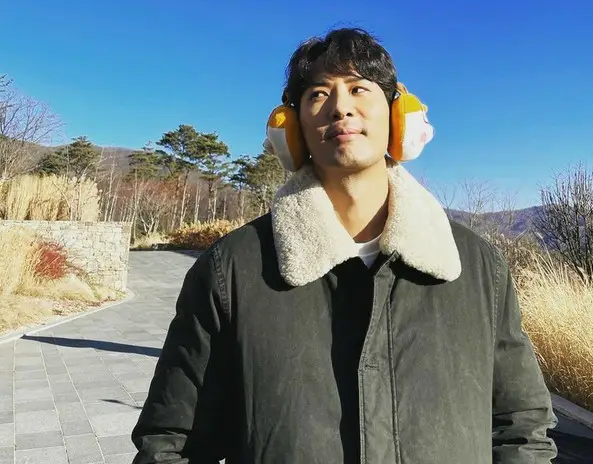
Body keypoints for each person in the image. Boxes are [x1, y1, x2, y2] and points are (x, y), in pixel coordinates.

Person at [131, 27, 558, 464]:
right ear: (291, 128)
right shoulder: (231, 271)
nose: (340, 107)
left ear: (398, 115)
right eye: (318, 94)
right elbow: (172, 445)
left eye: (359, 88)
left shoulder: (477, 267)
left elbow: (521, 430)